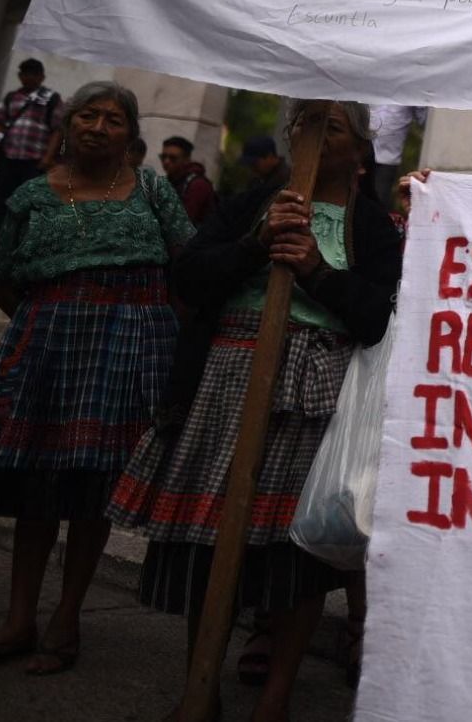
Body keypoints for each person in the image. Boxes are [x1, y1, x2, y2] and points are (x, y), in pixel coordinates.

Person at [107, 100, 402, 721]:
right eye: (305, 124)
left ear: (359, 149)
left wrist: (318, 273)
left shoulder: (371, 227)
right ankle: (201, 686)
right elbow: (189, 278)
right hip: (226, 382)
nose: (317, 137)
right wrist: (255, 244)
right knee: (209, 540)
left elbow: (378, 319)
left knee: (295, 560)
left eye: (335, 128)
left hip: (316, 399)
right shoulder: (249, 204)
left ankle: (274, 700)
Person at [0, 82, 193, 674]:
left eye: (113, 119)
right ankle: (18, 618)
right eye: (87, 115)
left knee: (93, 489)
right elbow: (5, 278)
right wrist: (54, 315)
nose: (98, 127)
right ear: (68, 125)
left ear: (131, 134)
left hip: (127, 351)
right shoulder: (30, 196)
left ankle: (67, 617)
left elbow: (191, 265)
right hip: (49, 346)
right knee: (35, 485)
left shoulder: (152, 190)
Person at [0, 59, 63, 243]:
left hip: (34, 160)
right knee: (1, 198)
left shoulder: (51, 98)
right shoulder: (12, 97)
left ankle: (22, 239)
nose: (29, 78)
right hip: (8, 157)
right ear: (20, 76)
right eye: (25, 74)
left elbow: (58, 130)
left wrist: (48, 157)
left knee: (29, 200)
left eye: (33, 74)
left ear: (42, 77)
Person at [367, 105, 426, 206]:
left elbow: (424, 119)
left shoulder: (411, 91)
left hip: (388, 158)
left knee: (378, 200)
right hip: (360, 151)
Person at [159, 135, 218, 224]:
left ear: (186, 159)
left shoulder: (198, 185)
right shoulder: (169, 181)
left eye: (173, 158)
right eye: (163, 157)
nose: (166, 162)